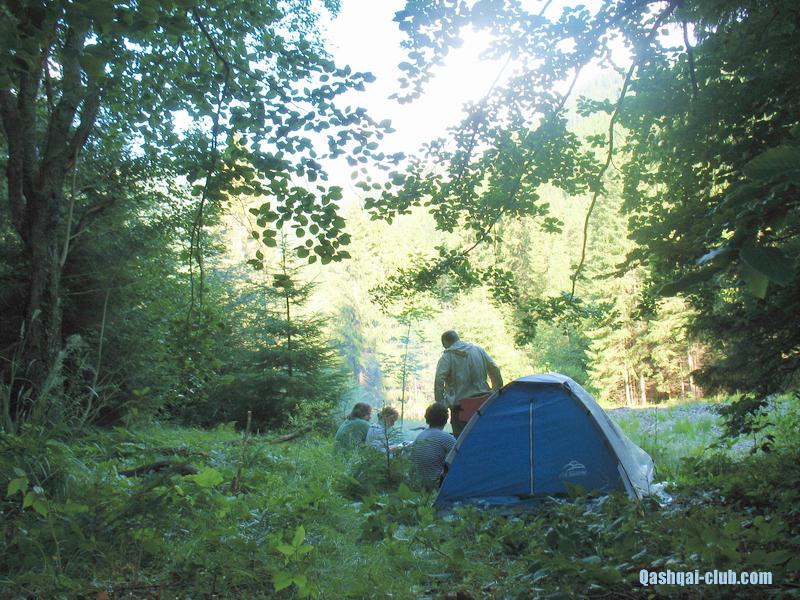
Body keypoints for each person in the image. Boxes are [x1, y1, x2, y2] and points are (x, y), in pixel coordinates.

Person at [434, 330, 502, 437]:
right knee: (484, 437)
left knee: (462, 442)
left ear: (445, 343)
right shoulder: (479, 350)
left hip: (460, 407)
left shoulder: (447, 357)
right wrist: (495, 391)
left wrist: (441, 403)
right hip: (483, 403)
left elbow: (439, 379)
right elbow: (494, 369)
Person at [411, 403, 457, 490]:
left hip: (419, 485)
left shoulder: (420, 435)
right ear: (446, 419)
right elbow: (460, 461)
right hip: (436, 486)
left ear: (427, 418)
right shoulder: (447, 438)